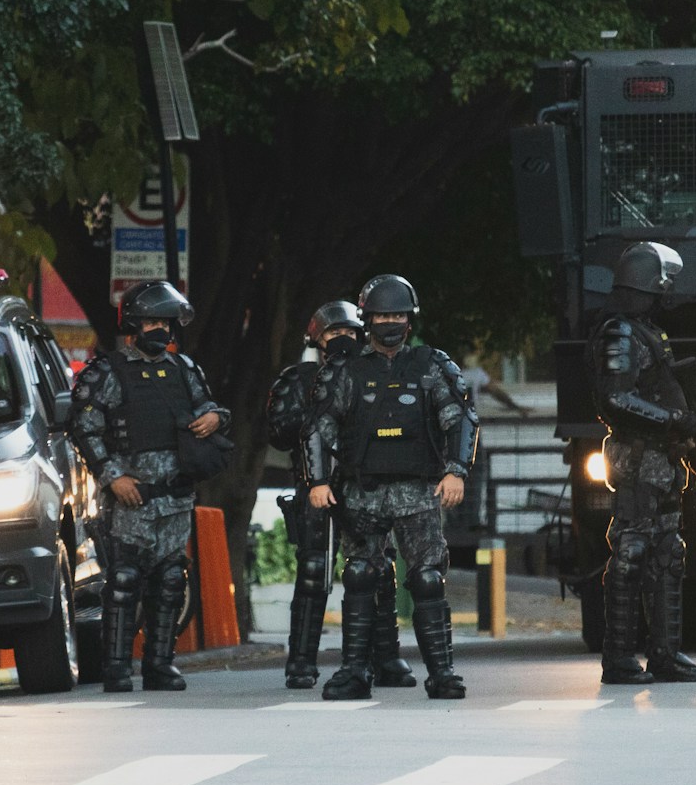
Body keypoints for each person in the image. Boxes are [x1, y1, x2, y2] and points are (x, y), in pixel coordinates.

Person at [303, 274, 478, 700]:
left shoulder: (431, 365)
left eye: (397, 314)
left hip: (419, 492)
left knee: (428, 580)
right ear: (366, 319)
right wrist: (319, 480)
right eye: (381, 315)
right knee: (361, 575)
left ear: (410, 319)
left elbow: (462, 419)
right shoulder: (345, 372)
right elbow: (318, 427)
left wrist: (456, 471)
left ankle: (442, 673)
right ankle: (354, 672)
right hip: (363, 491)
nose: (389, 323)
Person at [71, 280, 229, 693]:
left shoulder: (185, 369)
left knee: (171, 580)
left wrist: (215, 418)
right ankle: (117, 667)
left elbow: (207, 406)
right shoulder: (107, 372)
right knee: (124, 582)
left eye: (166, 322)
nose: (160, 329)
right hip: (130, 499)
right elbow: (85, 429)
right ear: (134, 324)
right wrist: (113, 477)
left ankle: (160, 664)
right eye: (152, 321)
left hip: (175, 496)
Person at [265, 301, 415, 690]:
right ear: (317, 339)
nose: (343, 341)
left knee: (376, 569)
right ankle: (300, 661)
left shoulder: (373, 372)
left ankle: (385, 657)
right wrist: (321, 411)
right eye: (334, 335)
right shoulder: (299, 378)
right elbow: (279, 431)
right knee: (314, 572)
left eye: (350, 333)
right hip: (315, 486)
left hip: (363, 486)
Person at [587, 241, 696, 685]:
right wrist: (675, 419)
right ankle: (619, 658)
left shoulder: (644, 330)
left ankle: (666, 655)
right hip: (639, 459)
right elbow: (615, 399)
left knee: (667, 555)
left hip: (662, 460)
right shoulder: (619, 333)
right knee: (631, 554)